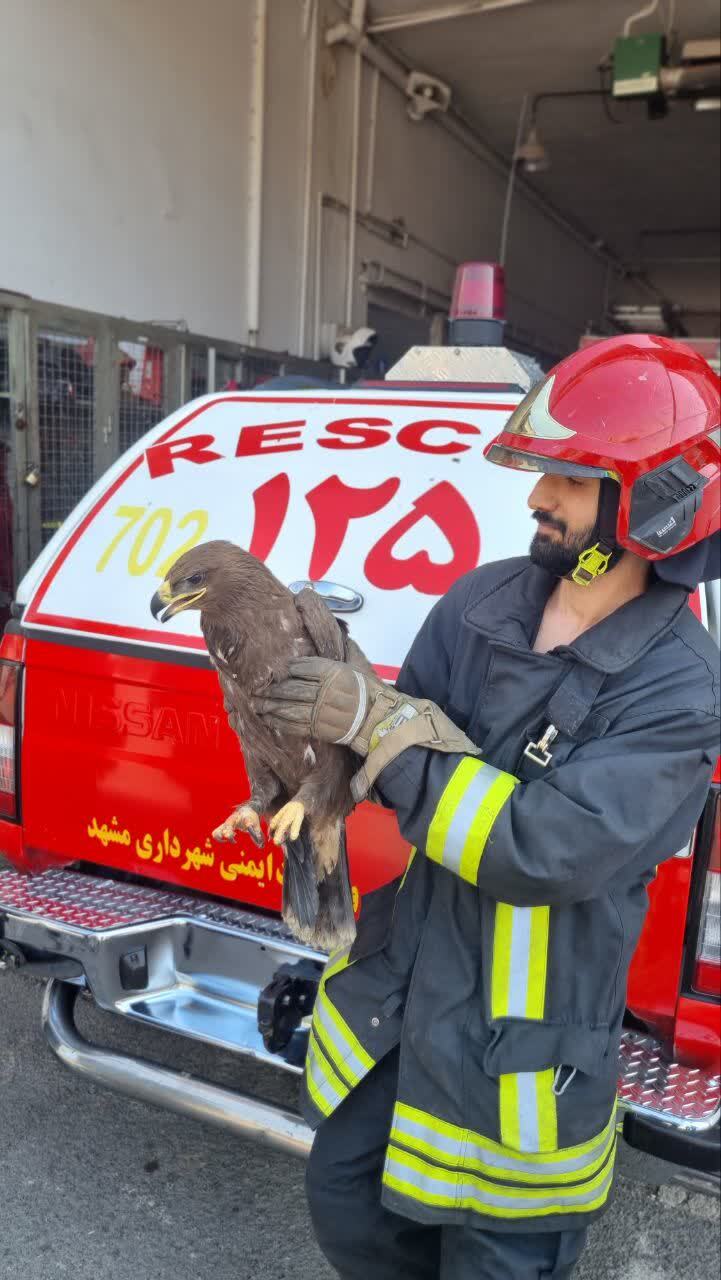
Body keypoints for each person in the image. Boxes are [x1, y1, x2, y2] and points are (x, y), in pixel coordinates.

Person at [253, 335, 720, 1280]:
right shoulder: (483, 602)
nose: (536, 497)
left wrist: (384, 731)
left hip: (521, 1064)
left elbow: (539, 849)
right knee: (347, 1209)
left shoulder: (680, 692)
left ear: (656, 506)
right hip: (401, 1001)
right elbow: (380, 746)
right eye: (543, 471)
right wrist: (311, 745)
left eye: (569, 480)